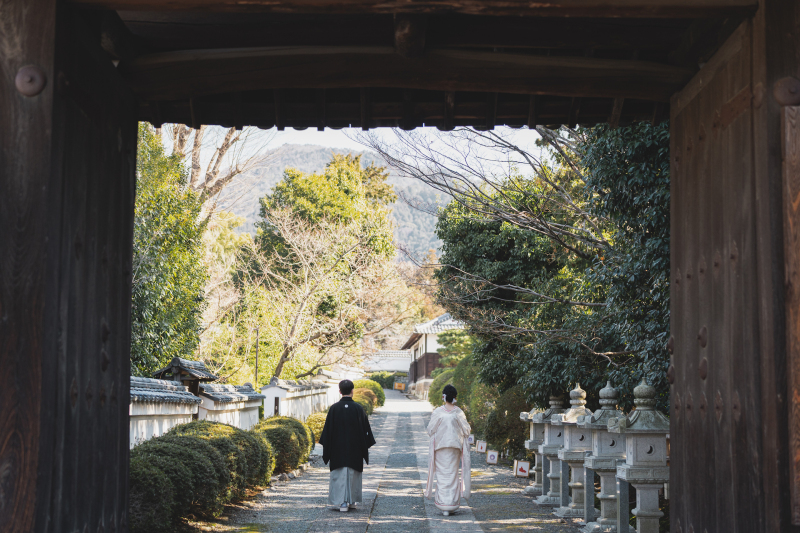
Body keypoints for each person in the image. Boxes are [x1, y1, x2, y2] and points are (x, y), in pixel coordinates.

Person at [319, 379, 376, 512]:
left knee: (339, 474)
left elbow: (327, 432)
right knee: (352, 472)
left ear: (339, 391)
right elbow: (365, 430)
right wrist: (364, 445)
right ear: (352, 391)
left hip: (337, 449)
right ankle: (352, 500)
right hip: (355, 448)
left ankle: (342, 502)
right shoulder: (358, 408)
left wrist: (328, 448)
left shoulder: (333, 409)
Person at [425, 384, 472, 516]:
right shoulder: (458, 412)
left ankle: (443, 503)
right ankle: (451, 503)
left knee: (442, 474)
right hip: (455, 448)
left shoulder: (438, 411)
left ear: (444, 397)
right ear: (455, 397)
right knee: (452, 474)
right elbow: (467, 430)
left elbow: (430, 430)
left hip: (441, 448)